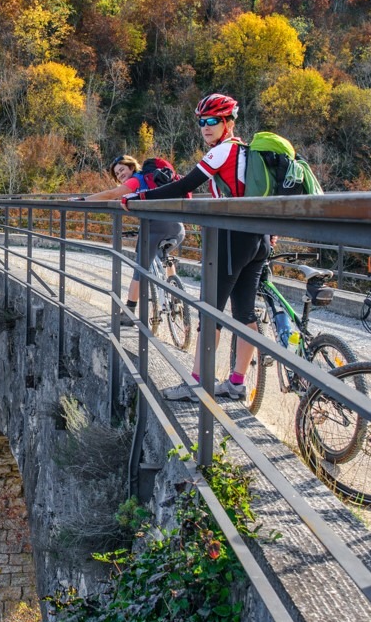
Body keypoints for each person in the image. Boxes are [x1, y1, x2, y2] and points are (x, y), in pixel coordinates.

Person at [122, 92, 269, 401]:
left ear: (228, 122)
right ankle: (237, 383)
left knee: (209, 310)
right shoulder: (245, 151)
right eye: (202, 122)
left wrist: (138, 197)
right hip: (258, 237)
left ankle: (197, 384)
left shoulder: (223, 151)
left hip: (233, 237)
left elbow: (184, 185)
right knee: (244, 312)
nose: (206, 127)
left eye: (213, 120)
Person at [84, 155, 186, 328]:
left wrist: (84, 200)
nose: (120, 175)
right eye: (117, 174)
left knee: (139, 269)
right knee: (162, 255)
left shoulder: (136, 180)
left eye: (122, 170)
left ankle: (129, 313)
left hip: (156, 227)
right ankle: (175, 294)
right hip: (177, 227)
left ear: (131, 167)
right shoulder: (153, 179)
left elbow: (111, 194)